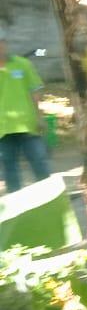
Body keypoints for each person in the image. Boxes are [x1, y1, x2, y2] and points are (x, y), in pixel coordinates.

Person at [0, 26, 51, 193]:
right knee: (9, 168)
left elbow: (34, 91)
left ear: (5, 43)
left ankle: (48, 197)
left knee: (39, 161)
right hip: (3, 128)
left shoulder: (23, 64)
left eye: (1, 42)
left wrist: (40, 117)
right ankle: (17, 204)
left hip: (28, 124)